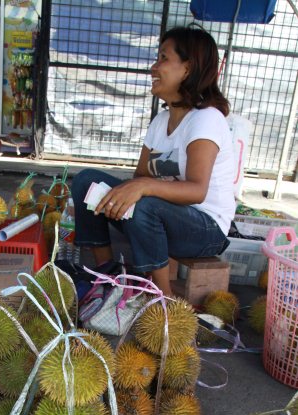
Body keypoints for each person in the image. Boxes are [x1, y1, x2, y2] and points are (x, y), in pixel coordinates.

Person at [71, 26, 235, 297]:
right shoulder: (160, 122)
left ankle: (162, 298)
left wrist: (144, 187)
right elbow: (140, 177)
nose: (154, 67)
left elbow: (197, 190)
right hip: (161, 216)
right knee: (87, 182)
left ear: (188, 68)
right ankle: (108, 277)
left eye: (163, 58)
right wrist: (128, 192)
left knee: (145, 203)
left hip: (205, 229)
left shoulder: (206, 119)